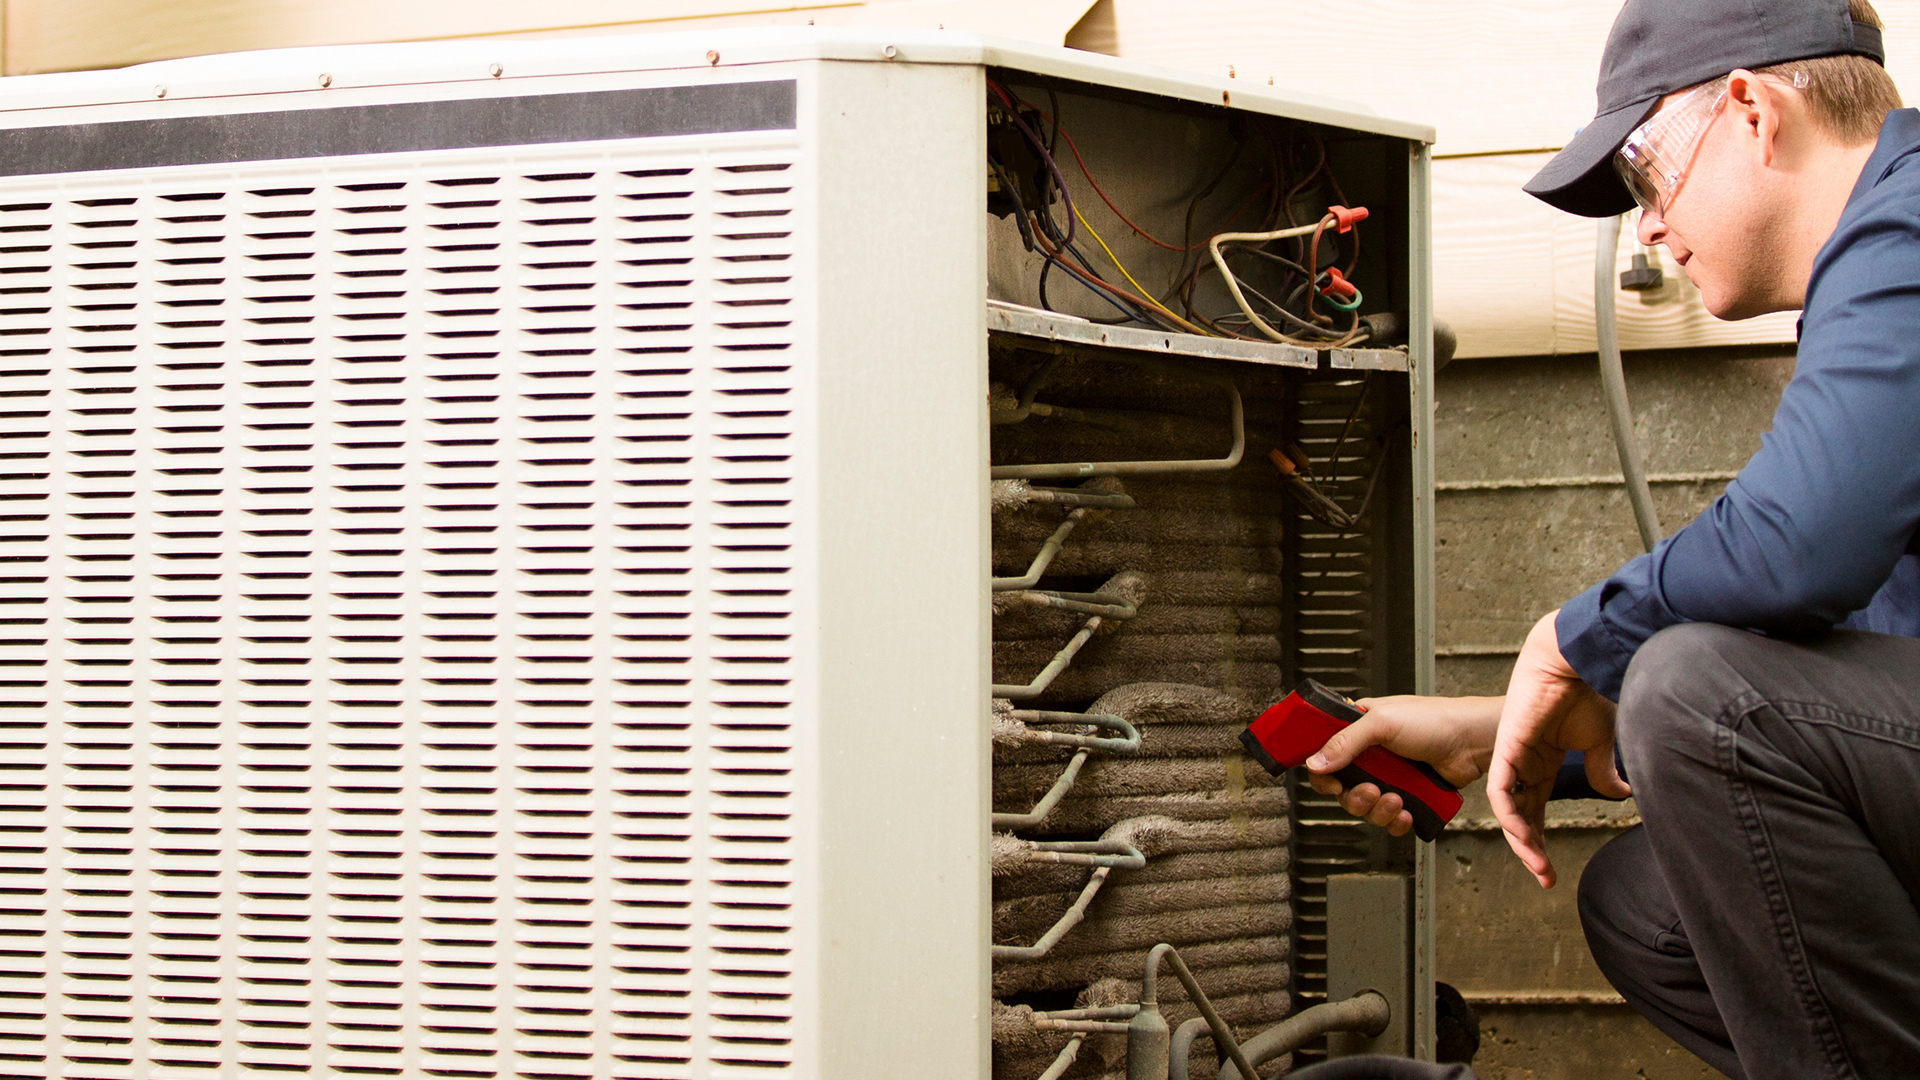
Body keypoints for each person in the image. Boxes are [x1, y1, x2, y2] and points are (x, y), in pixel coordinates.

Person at [1300, 1, 1920, 1076]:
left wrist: (1569, 640)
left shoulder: (1906, 229)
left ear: (1751, 111)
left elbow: (1794, 547)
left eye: (1644, 174)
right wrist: (1497, 732)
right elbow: (1847, 688)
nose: (1647, 228)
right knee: (1650, 907)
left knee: (1694, 685)